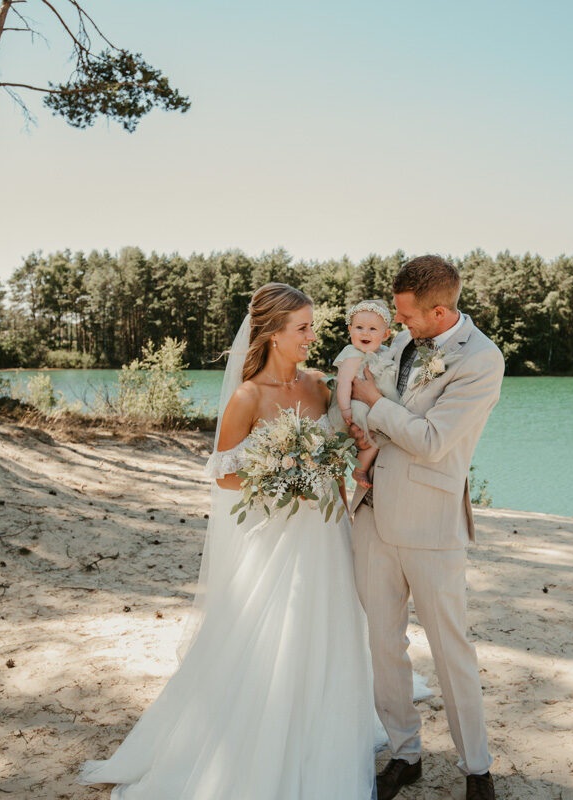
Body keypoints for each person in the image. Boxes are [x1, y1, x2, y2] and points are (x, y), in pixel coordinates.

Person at [77, 283, 377, 799]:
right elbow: (222, 473)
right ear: (272, 334)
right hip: (278, 535)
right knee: (275, 636)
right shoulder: (248, 396)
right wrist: (287, 477)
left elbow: (344, 439)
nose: (312, 336)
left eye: (312, 325)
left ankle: (320, 731)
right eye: (302, 328)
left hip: (327, 531)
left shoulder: (318, 386)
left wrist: (338, 461)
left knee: (330, 628)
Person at [349, 255, 505, 800]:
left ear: (440, 311)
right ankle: (404, 753)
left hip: (433, 523)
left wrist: (370, 406)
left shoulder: (483, 360)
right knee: (382, 642)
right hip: (371, 514)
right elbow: (371, 395)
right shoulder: (399, 342)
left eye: (409, 316)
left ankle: (477, 768)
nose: (400, 326)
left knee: (450, 646)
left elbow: (435, 440)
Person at [327, 299, 399, 489]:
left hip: (373, 405)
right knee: (375, 438)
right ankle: (359, 469)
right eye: (359, 327)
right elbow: (343, 384)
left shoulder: (384, 353)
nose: (365, 333)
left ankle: (359, 467)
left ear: (386, 335)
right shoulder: (352, 354)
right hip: (355, 407)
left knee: (377, 438)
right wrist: (345, 409)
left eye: (373, 329)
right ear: (350, 330)